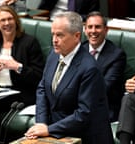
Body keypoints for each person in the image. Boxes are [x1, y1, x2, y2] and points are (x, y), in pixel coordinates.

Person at [24, 11, 114, 144]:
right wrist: (41, 123)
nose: (54, 40)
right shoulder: (53, 55)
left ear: (77, 36)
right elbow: (42, 88)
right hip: (56, 133)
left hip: (84, 137)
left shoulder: (90, 68)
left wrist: (49, 129)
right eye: (53, 34)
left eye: (60, 35)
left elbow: (84, 114)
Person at [0, 6, 44, 144]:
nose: (6, 23)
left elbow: (38, 77)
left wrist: (17, 66)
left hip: (19, 93)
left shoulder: (29, 42)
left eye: (10, 19)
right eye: (2, 20)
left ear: (16, 21)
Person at [82, 11, 126, 122]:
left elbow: (104, 88)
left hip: (103, 107)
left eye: (97, 27)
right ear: (85, 29)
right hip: (78, 104)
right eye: (90, 27)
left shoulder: (116, 55)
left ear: (106, 30)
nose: (93, 31)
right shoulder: (79, 50)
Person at [3, 0, 99, 21]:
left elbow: (93, 16)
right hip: (50, 21)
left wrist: (72, 18)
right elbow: (42, 8)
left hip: (72, 24)